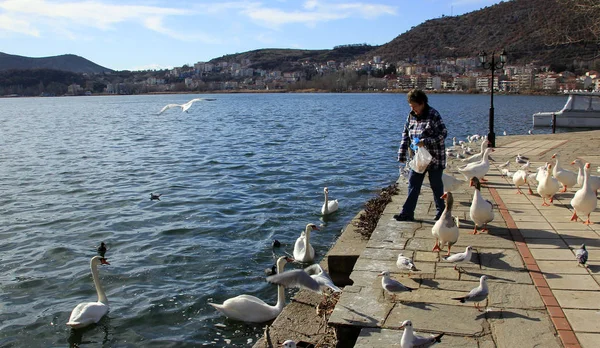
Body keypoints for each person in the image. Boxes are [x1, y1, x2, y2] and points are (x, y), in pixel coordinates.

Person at [394, 89, 448, 222]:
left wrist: (425, 142)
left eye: (415, 106)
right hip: (419, 159)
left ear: (422, 103)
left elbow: (443, 134)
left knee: (436, 186)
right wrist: (401, 153)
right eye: (411, 106)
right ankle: (407, 213)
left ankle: (442, 213)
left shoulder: (433, 114)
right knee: (413, 183)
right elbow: (405, 134)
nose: (413, 109)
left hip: (435, 157)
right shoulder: (411, 116)